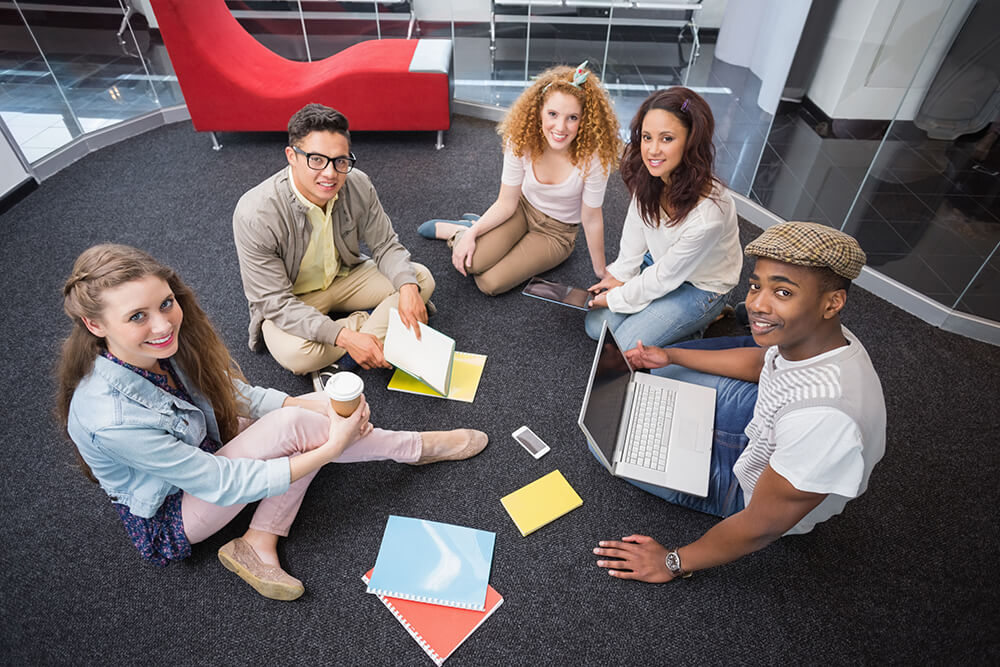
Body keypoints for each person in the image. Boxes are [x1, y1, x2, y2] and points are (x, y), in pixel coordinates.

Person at [57, 244, 487, 601]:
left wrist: (309, 403)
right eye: (137, 316)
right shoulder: (109, 418)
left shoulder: (160, 348)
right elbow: (220, 483)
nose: (164, 323)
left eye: (166, 303)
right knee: (295, 431)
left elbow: (235, 396)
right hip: (173, 512)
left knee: (302, 416)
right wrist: (329, 448)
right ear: (95, 325)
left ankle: (258, 542)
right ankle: (414, 448)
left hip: (201, 452)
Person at [591, 222, 886, 583]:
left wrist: (671, 562)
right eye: (756, 285)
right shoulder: (820, 336)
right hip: (768, 425)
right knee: (656, 380)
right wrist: (669, 356)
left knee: (605, 442)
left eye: (783, 292)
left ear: (833, 302)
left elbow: (761, 524)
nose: (757, 304)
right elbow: (763, 364)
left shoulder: (824, 418)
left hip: (755, 487)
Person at [233, 103, 435, 389]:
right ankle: (366, 333)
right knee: (296, 354)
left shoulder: (358, 184)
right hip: (294, 299)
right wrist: (347, 337)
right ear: (292, 156)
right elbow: (274, 302)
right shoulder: (255, 213)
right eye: (316, 159)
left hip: (345, 277)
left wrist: (408, 290)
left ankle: (349, 352)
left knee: (419, 279)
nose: (330, 174)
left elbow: (386, 245)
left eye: (340, 161)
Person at [417, 62, 623, 295]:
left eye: (572, 117)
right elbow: (506, 202)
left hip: (557, 233)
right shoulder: (522, 140)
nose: (560, 127)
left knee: (490, 284)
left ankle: (471, 228)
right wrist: (472, 236)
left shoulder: (594, 158)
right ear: (539, 111)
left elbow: (592, 218)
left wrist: (601, 271)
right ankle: (463, 231)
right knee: (470, 262)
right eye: (553, 114)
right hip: (521, 210)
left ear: (584, 120)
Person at [585, 87, 742, 349]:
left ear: (691, 141)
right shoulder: (651, 175)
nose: (652, 150)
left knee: (624, 344)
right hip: (661, 261)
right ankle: (666, 317)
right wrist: (621, 275)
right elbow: (636, 229)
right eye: (647, 137)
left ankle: (705, 319)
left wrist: (617, 298)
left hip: (699, 285)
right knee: (596, 326)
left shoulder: (709, 215)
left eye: (667, 139)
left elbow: (665, 278)